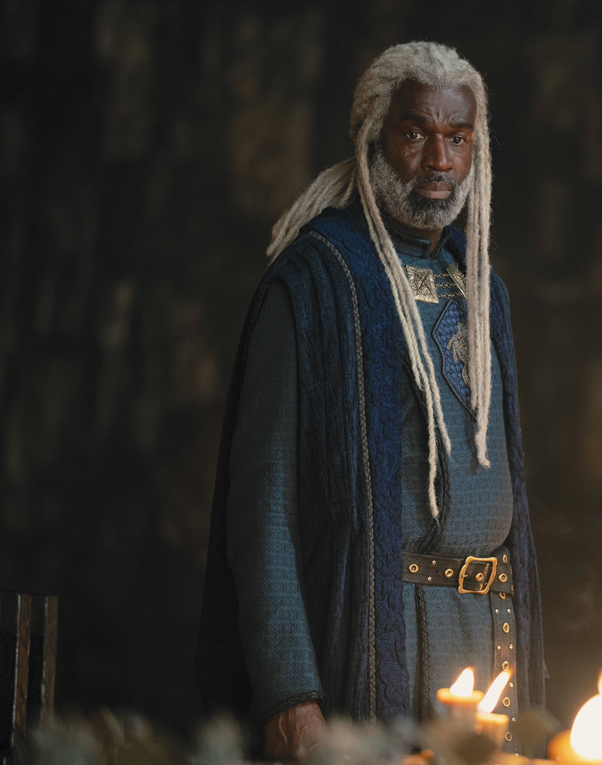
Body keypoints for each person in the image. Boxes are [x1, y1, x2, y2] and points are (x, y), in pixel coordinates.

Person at [196, 42, 545, 761]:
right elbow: (262, 510)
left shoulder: (482, 289)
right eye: (416, 133)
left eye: (458, 137)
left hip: (490, 641)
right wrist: (291, 698)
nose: (439, 161)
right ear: (373, 137)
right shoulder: (315, 285)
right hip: (379, 640)